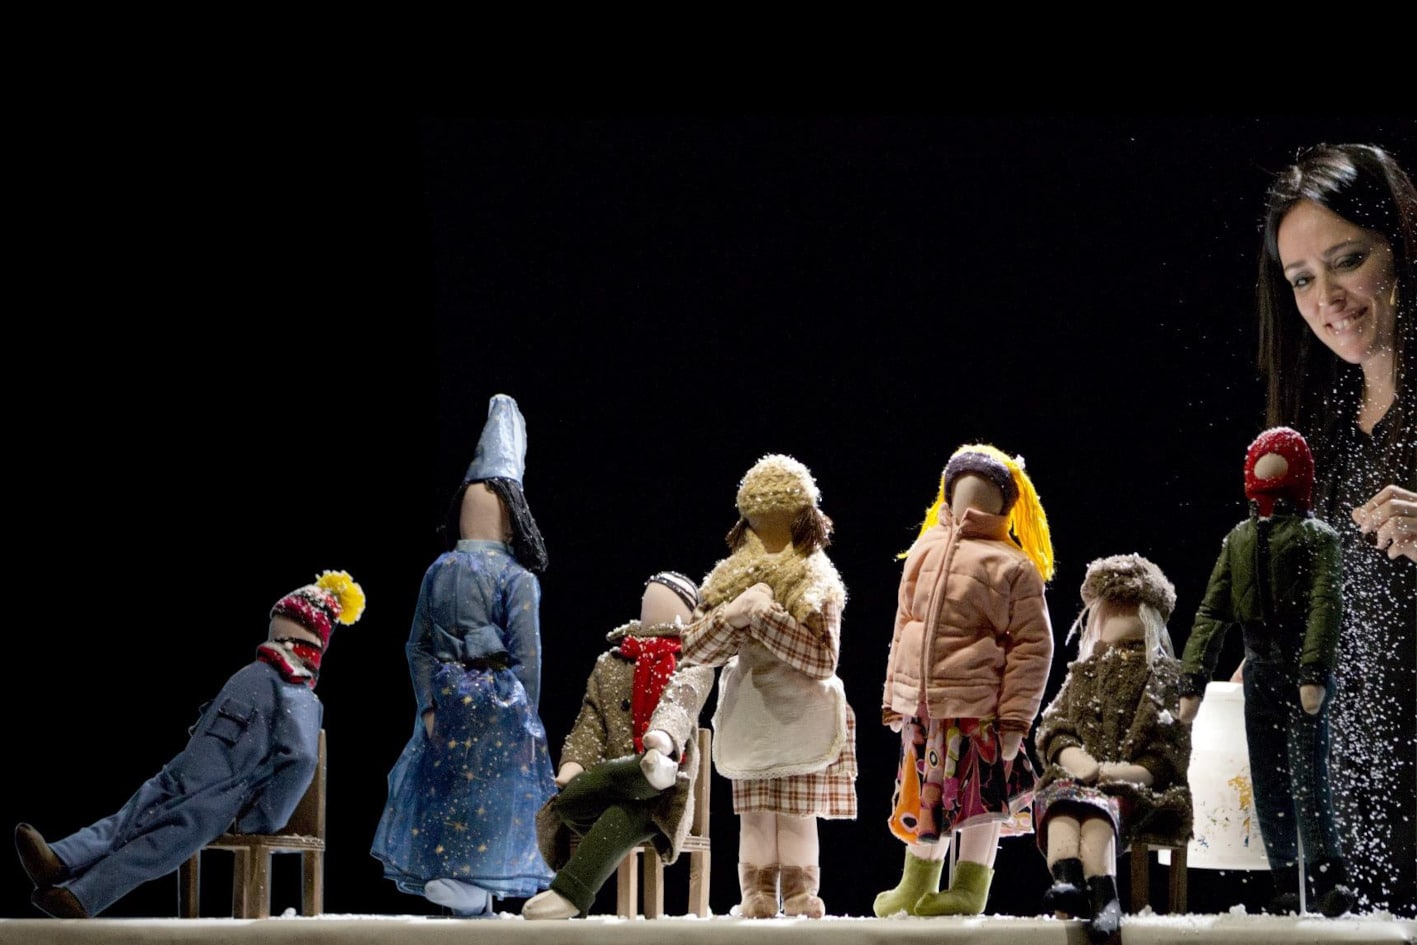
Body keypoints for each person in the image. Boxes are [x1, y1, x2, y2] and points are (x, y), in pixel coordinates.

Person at [1253, 142, 1416, 915]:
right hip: (1355, 830)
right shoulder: (1317, 430)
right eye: (1300, 279)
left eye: (1347, 260)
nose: (1327, 298)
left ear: (1402, 247)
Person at [14, 570, 366, 918]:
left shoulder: (296, 693)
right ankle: (60, 860)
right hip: (183, 775)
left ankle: (82, 896)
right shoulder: (251, 676)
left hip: (221, 795)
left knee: (161, 841)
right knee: (130, 816)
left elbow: (301, 759)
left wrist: (259, 818)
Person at [369, 393, 556, 917]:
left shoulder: (439, 570)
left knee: (452, 794)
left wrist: (429, 702)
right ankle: (471, 891)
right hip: (497, 702)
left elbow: (418, 646)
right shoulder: (516, 578)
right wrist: (528, 719)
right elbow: (528, 658)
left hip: (450, 698)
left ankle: (470, 894)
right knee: (492, 797)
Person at [1179, 427, 1354, 917]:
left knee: (1307, 774)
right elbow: (1212, 612)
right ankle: (1283, 880)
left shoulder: (1319, 538)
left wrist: (1313, 670)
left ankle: (1327, 878)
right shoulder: (1238, 539)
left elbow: (1325, 606)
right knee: (1267, 777)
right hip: (1259, 672)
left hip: (1301, 673)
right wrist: (1194, 678)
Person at [874, 444, 1054, 917]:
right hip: (925, 707)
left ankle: (971, 885)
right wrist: (895, 695)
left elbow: (1033, 648)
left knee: (980, 798)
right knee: (925, 793)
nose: (971, 501)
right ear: (948, 493)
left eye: (984, 492)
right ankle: (916, 882)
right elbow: (903, 624)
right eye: (963, 489)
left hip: (979, 709)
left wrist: (1015, 719)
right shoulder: (925, 548)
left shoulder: (1013, 566)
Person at [681, 453, 856, 919]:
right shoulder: (730, 578)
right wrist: (733, 614)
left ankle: (800, 892)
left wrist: (766, 618)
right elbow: (694, 647)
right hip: (753, 713)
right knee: (756, 816)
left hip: (802, 711)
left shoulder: (816, 580)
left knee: (797, 815)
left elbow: (823, 659)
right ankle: (755, 892)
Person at [522, 571, 714, 920]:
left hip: (663, 799)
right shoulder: (611, 664)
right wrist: (574, 762)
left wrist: (664, 737)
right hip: (613, 782)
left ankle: (569, 894)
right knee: (567, 803)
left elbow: (680, 703)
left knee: (623, 814)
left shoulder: (692, 662)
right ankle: (644, 773)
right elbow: (591, 720)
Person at [1033, 553, 1192, 943]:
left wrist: (1112, 773)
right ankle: (1067, 878)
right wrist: (1074, 758)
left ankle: (1104, 894)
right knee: (1059, 803)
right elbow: (1055, 725)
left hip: (1139, 790)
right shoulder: (1084, 673)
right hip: (1078, 781)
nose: (1118, 615)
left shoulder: (1164, 677)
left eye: (1129, 606)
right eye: (1111, 606)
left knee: (1098, 811)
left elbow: (1167, 749)